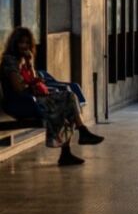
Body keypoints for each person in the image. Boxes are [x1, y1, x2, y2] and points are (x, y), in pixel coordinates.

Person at [0, 27, 103, 166]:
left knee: (67, 102)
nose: (24, 46)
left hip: (31, 99)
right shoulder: (10, 61)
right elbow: (18, 88)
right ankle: (80, 135)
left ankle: (69, 150)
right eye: (20, 42)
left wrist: (30, 66)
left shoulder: (23, 60)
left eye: (27, 43)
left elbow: (32, 80)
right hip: (20, 103)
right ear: (14, 43)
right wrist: (32, 82)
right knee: (67, 99)